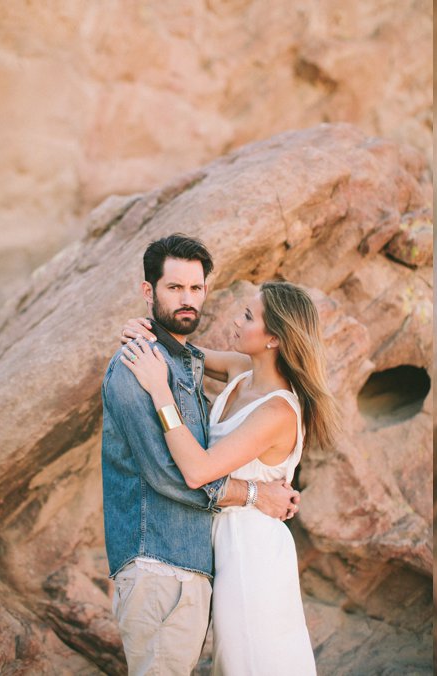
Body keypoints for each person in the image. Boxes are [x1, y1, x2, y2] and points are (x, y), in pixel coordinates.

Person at [101, 234, 301, 675]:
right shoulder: (148, 366)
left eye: (196, 288)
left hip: (228, 556)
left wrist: (159, 375)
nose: (189, 299)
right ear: (148, 291)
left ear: (274, 339)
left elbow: (196, 466)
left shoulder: (268, 402)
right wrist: (254, 493)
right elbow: (172, 473)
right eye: (175, 288)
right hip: (165, 560)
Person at [120, 279, 339, 675]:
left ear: (274, 338)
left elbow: (198, 471)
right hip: (223, 542)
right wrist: (144, 330)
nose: (236, 322)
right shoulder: (241, 372)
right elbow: (182, 351)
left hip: (250, 553)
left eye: (248, 316)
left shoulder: (278, 412)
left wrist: (159, 392)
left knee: (251, 661)